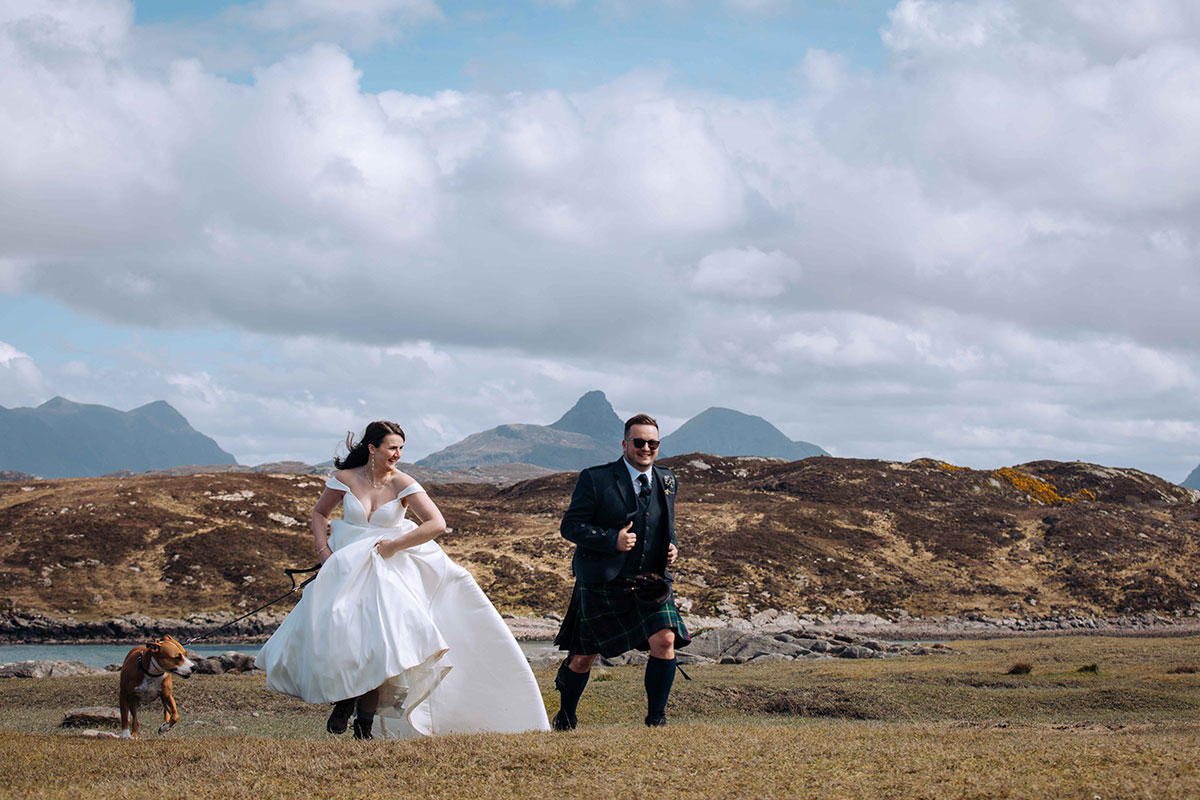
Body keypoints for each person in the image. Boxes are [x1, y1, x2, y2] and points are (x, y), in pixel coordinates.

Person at [257, 421, 550, 738]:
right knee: (345, 638)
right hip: (345, 571)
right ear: (372, 448)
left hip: (388, 574)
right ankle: (344, 702)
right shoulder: (344, 479)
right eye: (392, 448)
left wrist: (394, 546)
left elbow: (436, 524)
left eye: (401, 449)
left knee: (382, 647)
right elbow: (319, 514)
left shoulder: (404, 483)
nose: (397, 454)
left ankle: (364, 726)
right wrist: (322, 549)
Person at [552, 413, 689, 729]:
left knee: (665, 640)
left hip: (650, 583)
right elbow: (571, 527)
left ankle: (657, 719)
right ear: (625, 443)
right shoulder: (597, 478)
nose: (646, 448)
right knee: (584, 657)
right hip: (603, 580)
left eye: (652, 443)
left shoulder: (667, 480)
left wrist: (672, 545)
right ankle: (567, 715)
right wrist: (611, 539)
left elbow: (664, 522)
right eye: (639, 442)